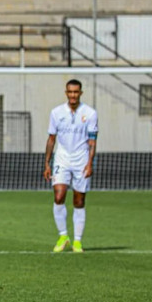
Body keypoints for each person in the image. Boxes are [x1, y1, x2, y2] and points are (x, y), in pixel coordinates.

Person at [43, 79, 99, 253]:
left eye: (76, 92)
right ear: (66, 93)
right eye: (70, 92)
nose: (73, 95)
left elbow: (92, 141)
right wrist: (47, 163)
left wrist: (90, 163)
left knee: (79, 200)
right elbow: (51, 139)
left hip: (81, 160)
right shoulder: (56, 112)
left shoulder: (90, 113)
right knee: (59, 196)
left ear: (80, 93)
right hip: (62, 159)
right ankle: (63, 235)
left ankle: (77, 241)